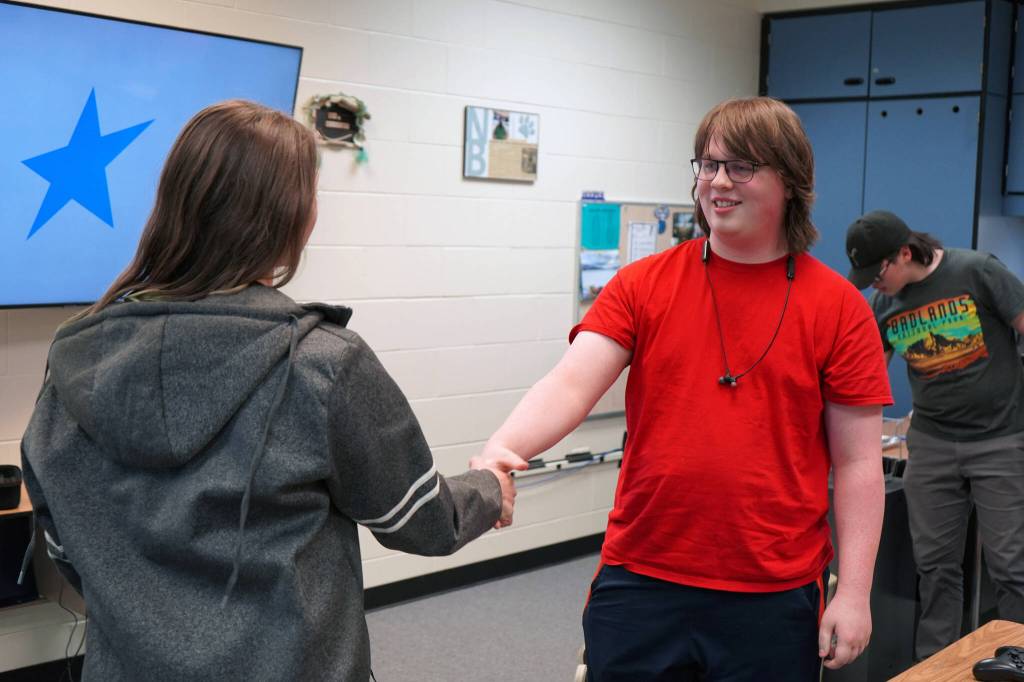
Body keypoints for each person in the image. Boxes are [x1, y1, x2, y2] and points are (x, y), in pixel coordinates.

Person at [19, 100, 513, 681]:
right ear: (292, 219)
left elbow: (67, 550)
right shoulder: (323, 363)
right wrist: (489, 489)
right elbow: (420, 521)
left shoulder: (73, 361)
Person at [473, 97, 891, 681]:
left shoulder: (840, 308)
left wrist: (854, 593)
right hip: (642, 579)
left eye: (741, 167)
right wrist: (501, 449)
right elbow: (570, 384)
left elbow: (857, 464)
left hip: (773, 590)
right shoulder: (643, 284)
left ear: (791, 182)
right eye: (707, 164)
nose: (718, 182)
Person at [845, 209, 1024, 660]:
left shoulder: (977, 272)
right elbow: (866, 374)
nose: (873, 284)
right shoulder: (885, 303)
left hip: (999, 439)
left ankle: (1016, 657)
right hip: (932, 443)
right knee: (935, 568)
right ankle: (936, 666)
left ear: (905, 252)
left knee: (1011, 566)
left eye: (878, 271)